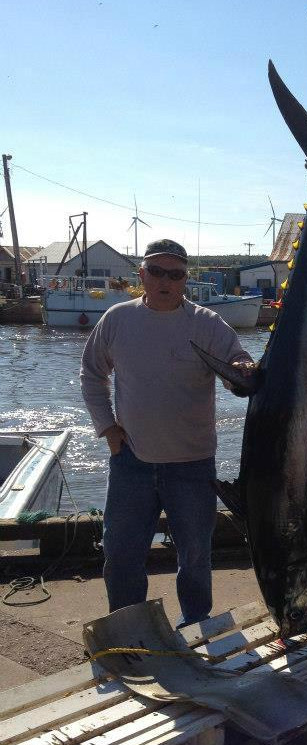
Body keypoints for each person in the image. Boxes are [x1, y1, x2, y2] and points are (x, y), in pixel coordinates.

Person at [80, 239, 254, 626]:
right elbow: (92, 374)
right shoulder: (117, 319)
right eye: (156, 271)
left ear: (184, 281)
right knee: (121, 551)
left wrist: (243, 367)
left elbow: (235, 367)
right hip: (132, 461)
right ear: (141, 275)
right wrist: (106, 427)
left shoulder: (207, 323)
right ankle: (129, 625)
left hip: (192, 464)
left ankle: (195, 626)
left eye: (175, 274)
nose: (165, 280)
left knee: (195, 555)